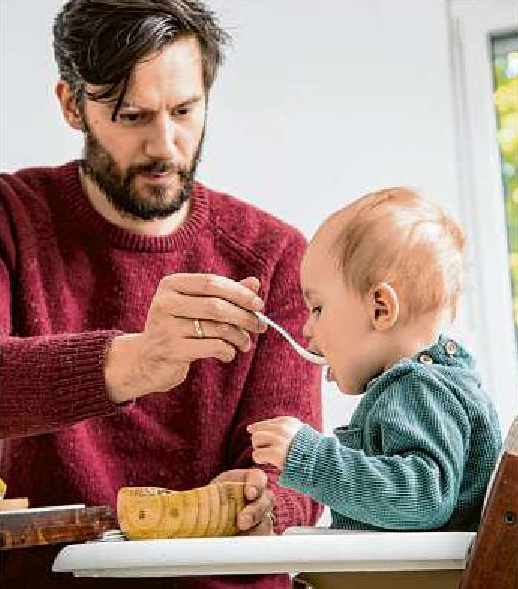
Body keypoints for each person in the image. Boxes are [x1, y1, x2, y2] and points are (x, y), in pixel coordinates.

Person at [0, 1, 322, 587]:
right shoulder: (11, 221)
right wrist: (137, 360)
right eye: (132, 116)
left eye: (184, 110)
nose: (165, 146)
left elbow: (293, 471)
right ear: (73, 105)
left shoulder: (275, 255)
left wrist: (269, 503)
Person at [249, 187, 502, 532]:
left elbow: (424, 499)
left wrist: (311, 458)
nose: (307, 328)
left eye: (318, 308)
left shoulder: (420, 388)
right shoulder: (429, 386)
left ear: (380, 308)